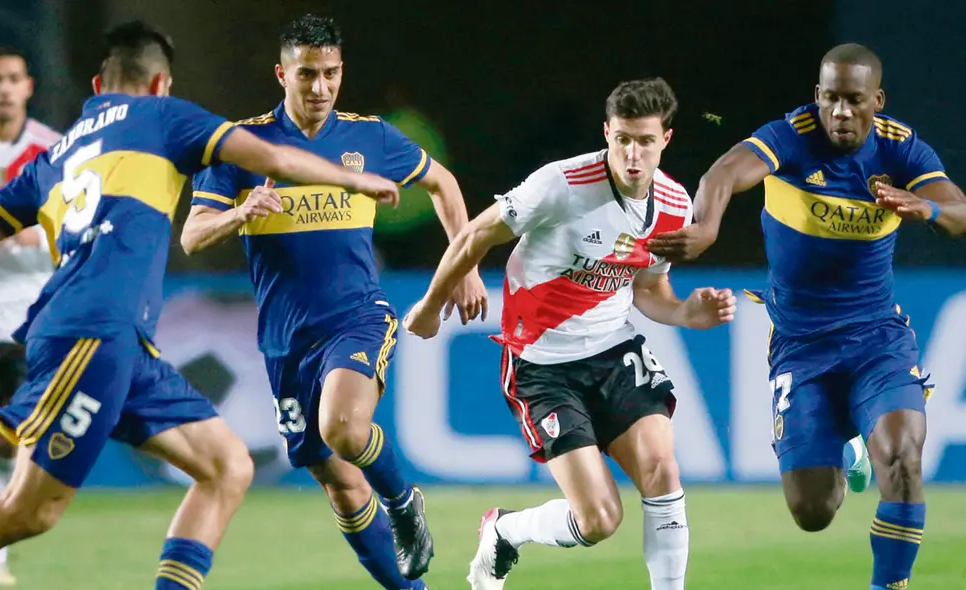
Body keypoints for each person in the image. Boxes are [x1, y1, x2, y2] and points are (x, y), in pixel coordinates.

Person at [0, 20, 400, 590]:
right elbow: (272, 157)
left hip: (120, 342)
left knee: (226, 468)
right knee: (29, 512)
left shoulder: (56, 152)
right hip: (90, 333)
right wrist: (360, 182)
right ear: (160, 84)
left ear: (99, 83)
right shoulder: (162, 117)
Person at [646, 43, 966, 590]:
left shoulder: (901, 149)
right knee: (812, 510)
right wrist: (705, 226)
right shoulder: (791, 135)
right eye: (831, 99)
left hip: (877, 339)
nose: (841, 112)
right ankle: (851, 444)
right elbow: (724, 173)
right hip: (801, 344)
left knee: (905, 461)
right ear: (817, 97)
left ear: (877, 101)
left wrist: (929, 209)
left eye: (854, 101)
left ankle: (888, 583)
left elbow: (960, 210)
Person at [185, 14, 485, 589]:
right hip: (282, 340)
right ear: (282, 74)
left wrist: (463, 263)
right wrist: (239, 214)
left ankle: (403, 501)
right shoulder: (241, 145)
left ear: (341, 73)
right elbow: (193, 235)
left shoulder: (369, 137)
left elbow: (442, 183)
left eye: (330, 74)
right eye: (307, 75)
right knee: (341, 485)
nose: (319, 88)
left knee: (345, 428)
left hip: (357, 317)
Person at [404, 78, 736, 590]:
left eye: (644, 141)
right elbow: (475, 234)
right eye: (621, 138)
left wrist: (692, 313)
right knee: (600, 520)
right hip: (541, 363)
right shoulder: (560, 184)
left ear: (665, 140)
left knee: (663, 471)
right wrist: (430, 305)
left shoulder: (675, 204)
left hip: (613, 349)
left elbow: (650, 290)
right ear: (607, 132)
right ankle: (507, 529)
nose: (631, 153)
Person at [0, 46, 59, 586]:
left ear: (27, 87)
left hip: (28, 317)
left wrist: (29, 228)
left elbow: (75, 222)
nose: (3, 88)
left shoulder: (51, 149)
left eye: (12, 79)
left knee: (10, 438)